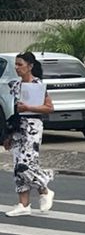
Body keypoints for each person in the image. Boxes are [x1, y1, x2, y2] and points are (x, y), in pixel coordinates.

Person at [4, 52, 55, 217]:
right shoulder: (16, 85)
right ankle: (23, 203)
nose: (17, 68)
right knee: (17, 167)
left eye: (20, 65)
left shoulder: (38, 85)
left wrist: (29, 108)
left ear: (30, 66)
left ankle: (44, 188)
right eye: (16, 65)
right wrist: (8, 135)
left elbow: (49, 108)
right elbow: (14, 110)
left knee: (25, 165)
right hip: (18, 127)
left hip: (32, 126)